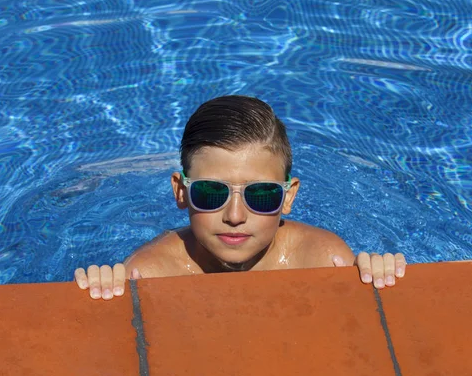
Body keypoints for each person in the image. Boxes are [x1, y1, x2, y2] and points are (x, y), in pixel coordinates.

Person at [74, 95, 406, 300]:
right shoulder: (151, 274)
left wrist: (377, 274)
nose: (235, 215)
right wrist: (105, 288)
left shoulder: (321, 258)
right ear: (181, 192)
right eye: (210, 192)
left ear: (288, 197)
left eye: (260, 195)